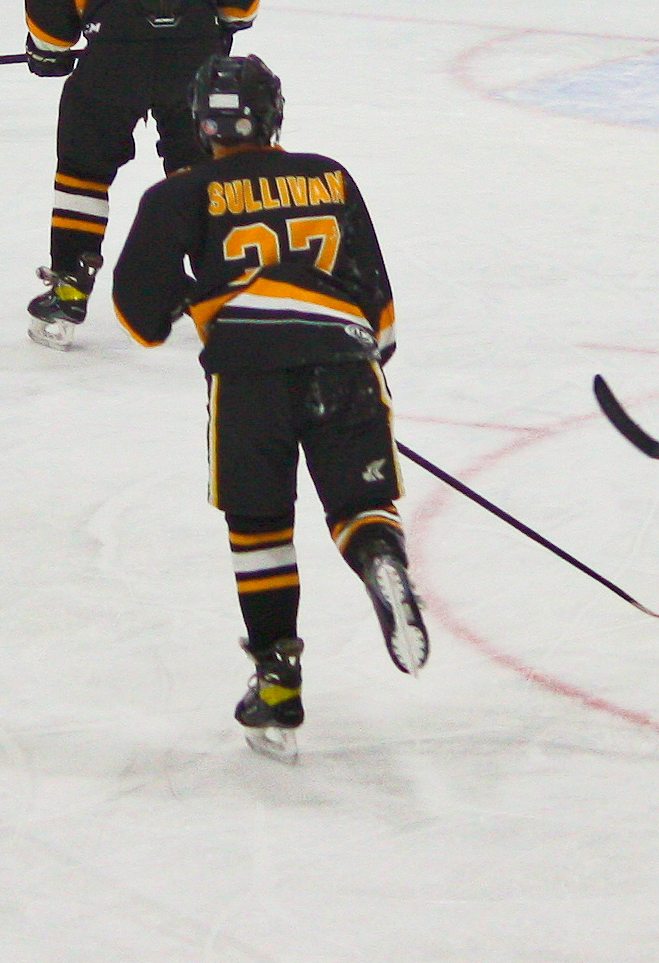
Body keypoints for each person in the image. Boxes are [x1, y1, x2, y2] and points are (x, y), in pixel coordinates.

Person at [110, 52, 424, 762]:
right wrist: (360, 366)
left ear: (202, 123)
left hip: (249, 375)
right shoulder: (329, 175)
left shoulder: (179, 194)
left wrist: (186, 297)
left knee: (260, 527)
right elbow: (380, 309)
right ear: (274, 114)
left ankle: (278, 678)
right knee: (359, 504)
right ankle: (380, 556)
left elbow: (138, 315)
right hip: (344, 361)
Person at [21, 0, 264, 345]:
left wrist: (51, 47)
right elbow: (240, 1)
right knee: (199, 168)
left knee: (83, 170)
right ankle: (222, 284)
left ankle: (70, 285)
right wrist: (216, 23)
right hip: (194, 61)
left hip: (112, 58)